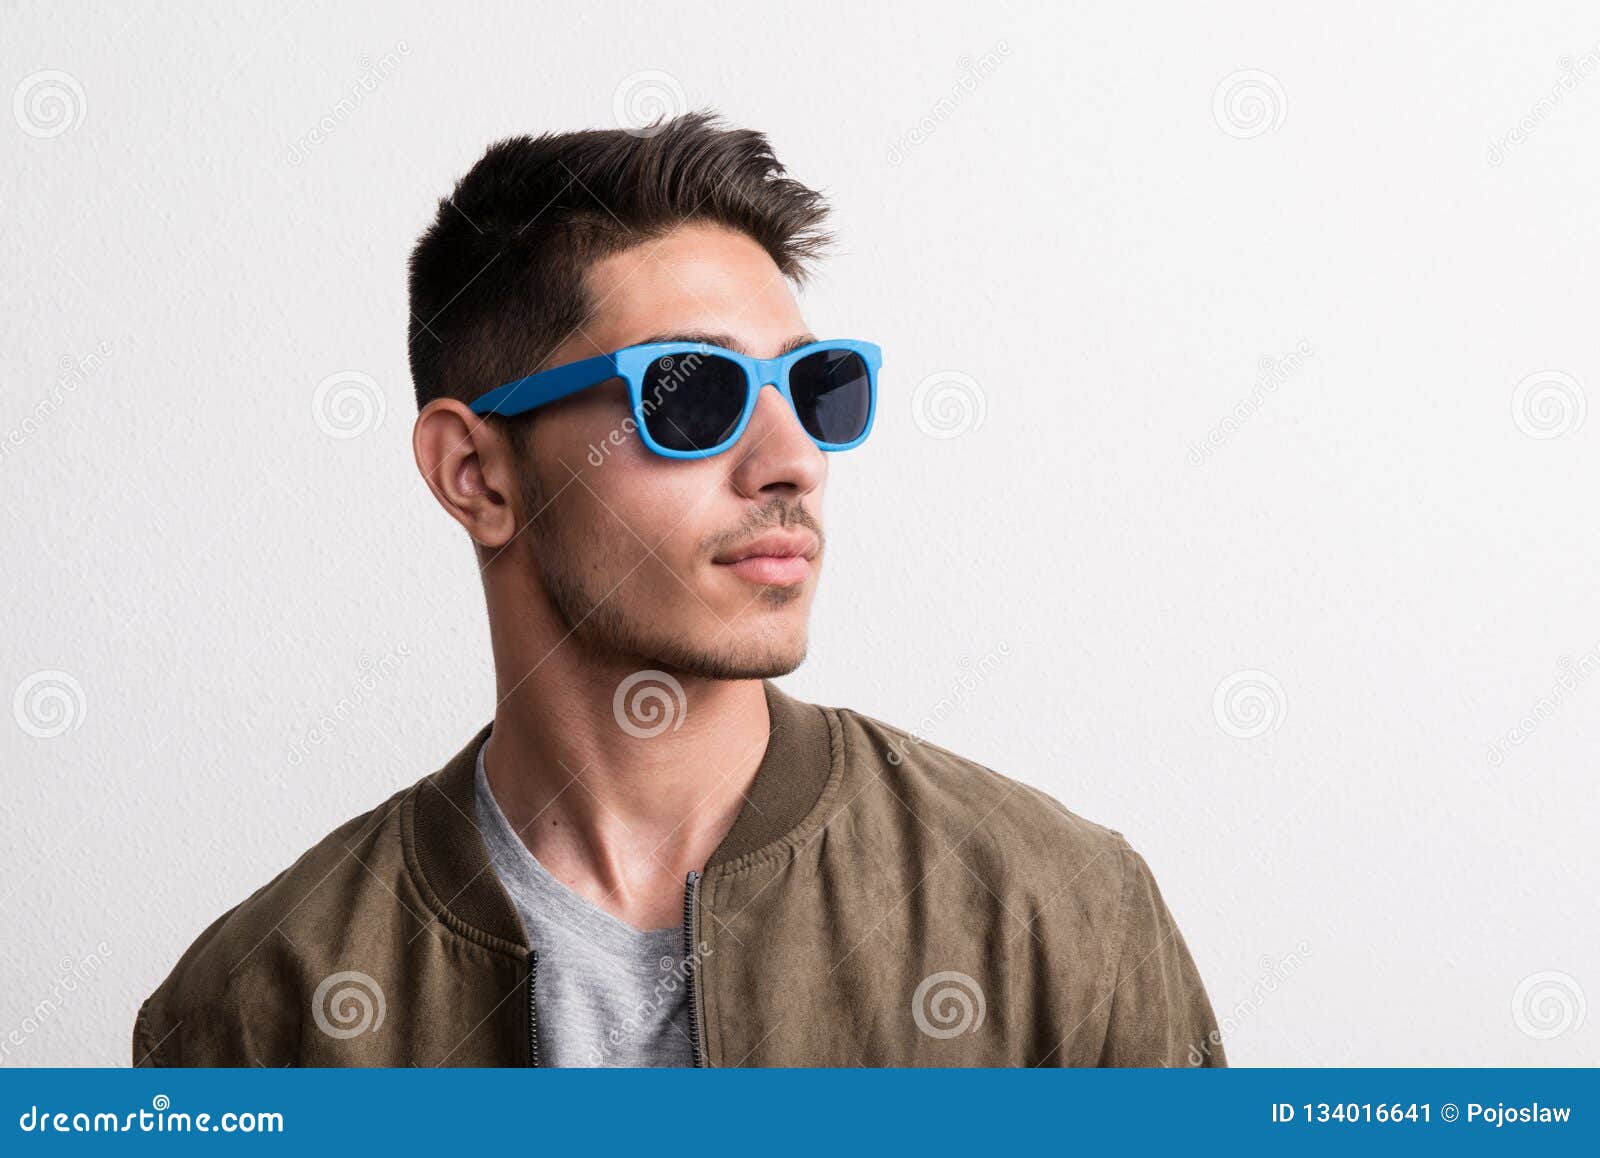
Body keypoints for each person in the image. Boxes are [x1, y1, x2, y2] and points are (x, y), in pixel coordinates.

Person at [134, 112, 1223, 1067]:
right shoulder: (258, 1014)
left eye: (814, 385)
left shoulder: (1056, 917)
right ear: (477, 476)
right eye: (691, 393)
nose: (790, 458)